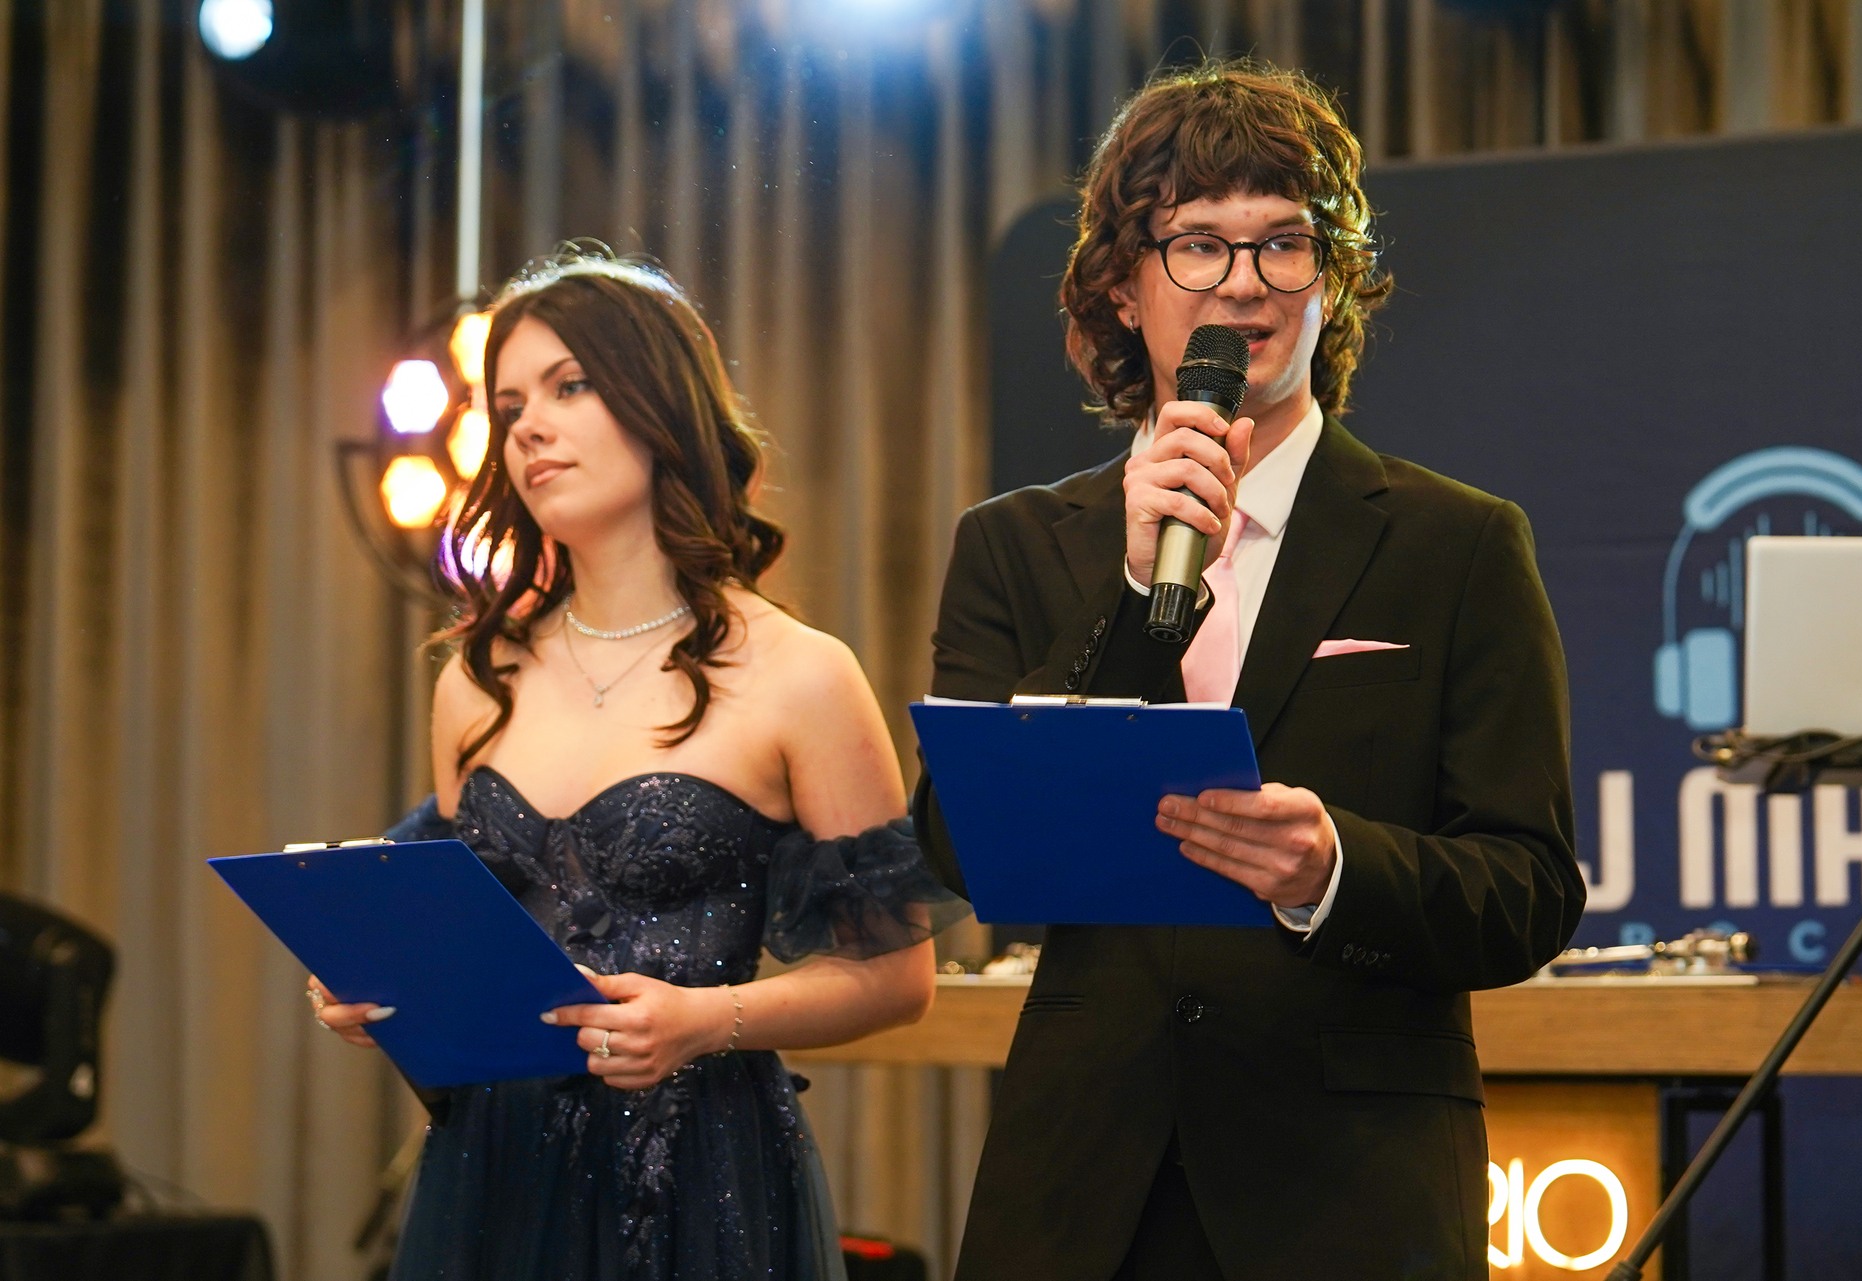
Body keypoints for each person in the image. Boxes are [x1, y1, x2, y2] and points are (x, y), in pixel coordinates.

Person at [912, 61, 1585, 1281]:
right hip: (1083, 1192)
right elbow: (960, 848)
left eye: (1285, 242)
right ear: (1123, 288)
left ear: (1335, 281)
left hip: (1350, 1197)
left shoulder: (1459, 543)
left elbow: (1529, 887)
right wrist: (1131, 597)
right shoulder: (1016, 544)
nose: (1245, 281)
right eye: (1198, 245)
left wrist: (1335, 869)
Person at [311, 252, 962, 1281]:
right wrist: (375, 985)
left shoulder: (800, 674)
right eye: (510, 406)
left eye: (569, 386)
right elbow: (463, 952)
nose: (529, 427)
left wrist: (710, 1019)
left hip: (701, 1173)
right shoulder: (476, 680)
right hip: (494, 1173)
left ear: (661, 407)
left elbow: (897, 977)